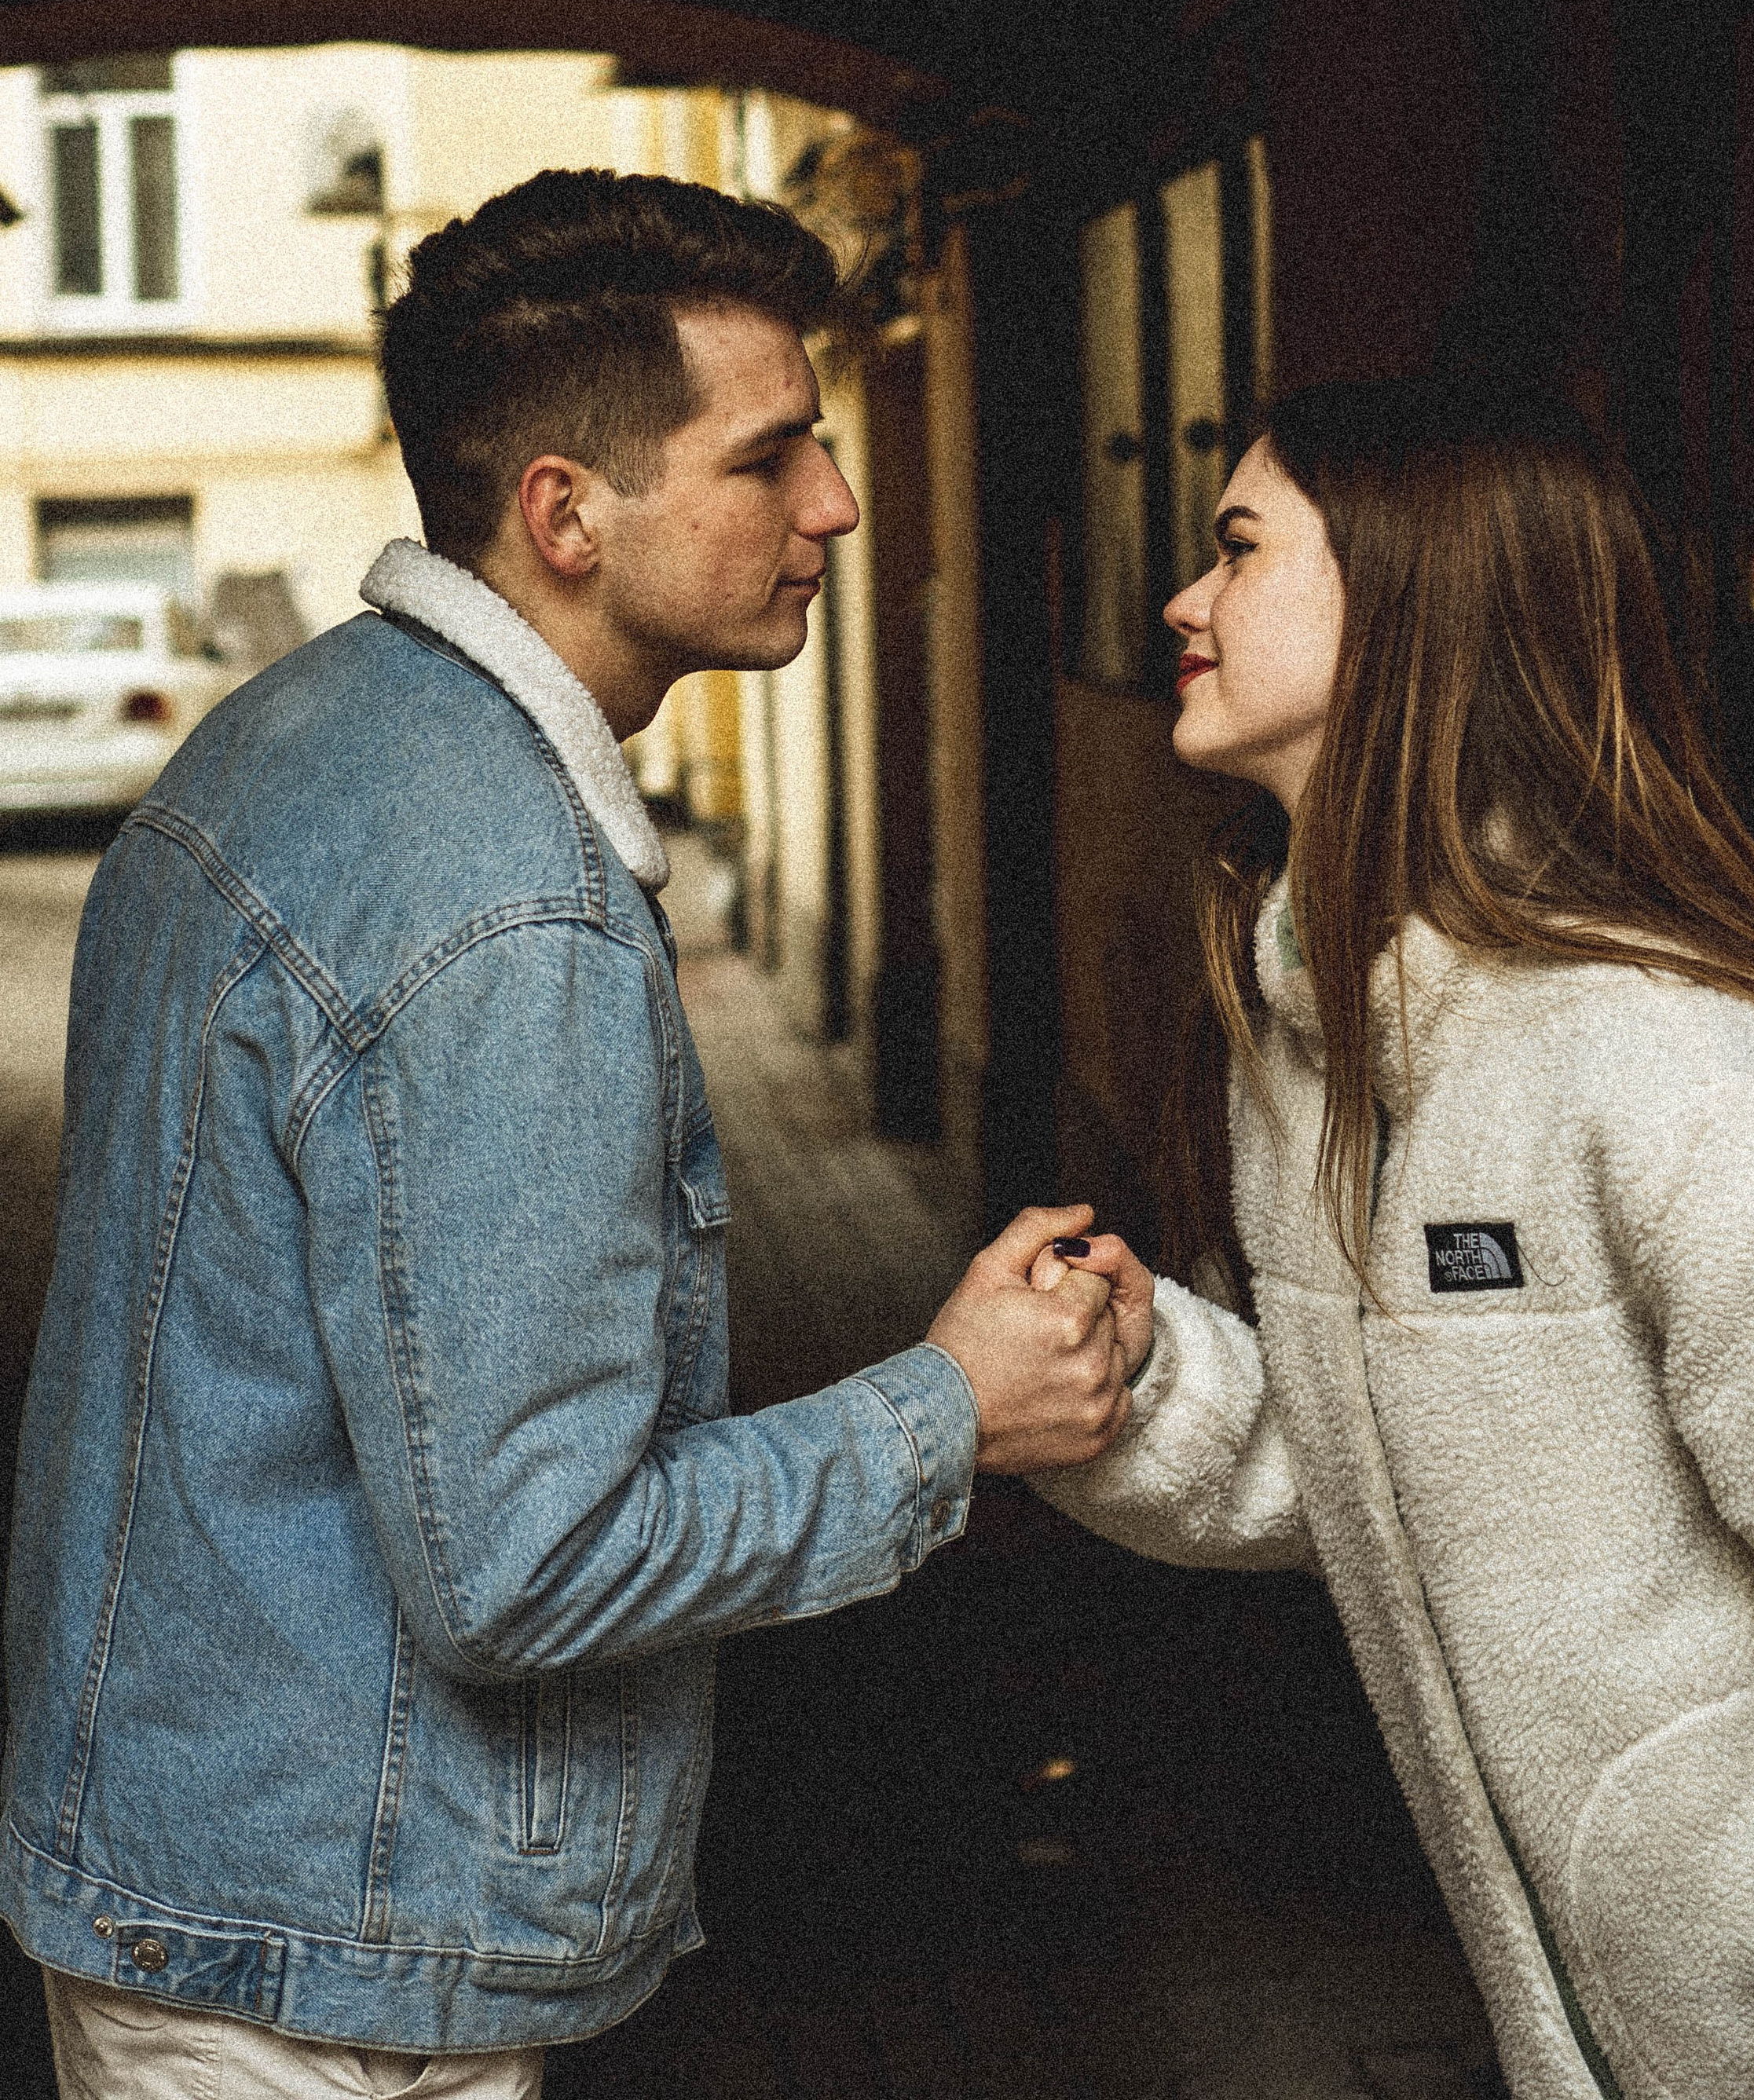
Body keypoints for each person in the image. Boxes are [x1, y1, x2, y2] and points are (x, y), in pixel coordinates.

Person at [3, 169, 1133, 2100]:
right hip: (331, 1971)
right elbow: (531, 1567)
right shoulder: (504, 903)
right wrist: (952, 1408)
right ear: (565, 516)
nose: (838, 510)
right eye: (772, 458)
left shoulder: (281, 741)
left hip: (215, 1876)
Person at [1031, 376, 1754, 2100]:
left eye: (1238, 551)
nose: (1182, 603)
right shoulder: (1320, 1048)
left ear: (1412, 604)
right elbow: (1415, 1464)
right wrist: (1139, 1387)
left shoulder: (1707, 1086)